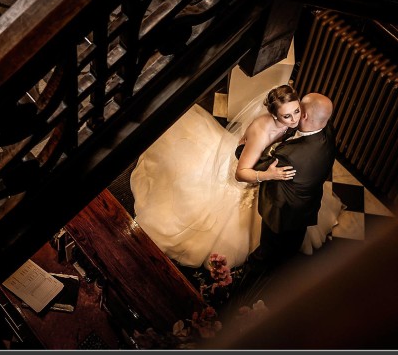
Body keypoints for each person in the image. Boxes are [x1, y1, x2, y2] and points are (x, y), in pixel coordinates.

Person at [130, 85, 341, 270]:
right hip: (249, 173)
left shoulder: (296, 124)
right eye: (287, 116)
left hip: (266, 171)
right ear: (275, 116)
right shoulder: (262, 131)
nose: (294, 120)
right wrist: (267, 174)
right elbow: (241, 173)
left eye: (297, 111)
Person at [242, 92, 336, 270]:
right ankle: (289, 256)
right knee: (293, 240)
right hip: (308, 201)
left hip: (283, 210)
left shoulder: (289, 156)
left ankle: (256, 267)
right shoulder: (328, 129)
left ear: (305, 115)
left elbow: (256, 166)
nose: (293, 118)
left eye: (297, 111)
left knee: (270, 247)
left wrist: (241, 150)